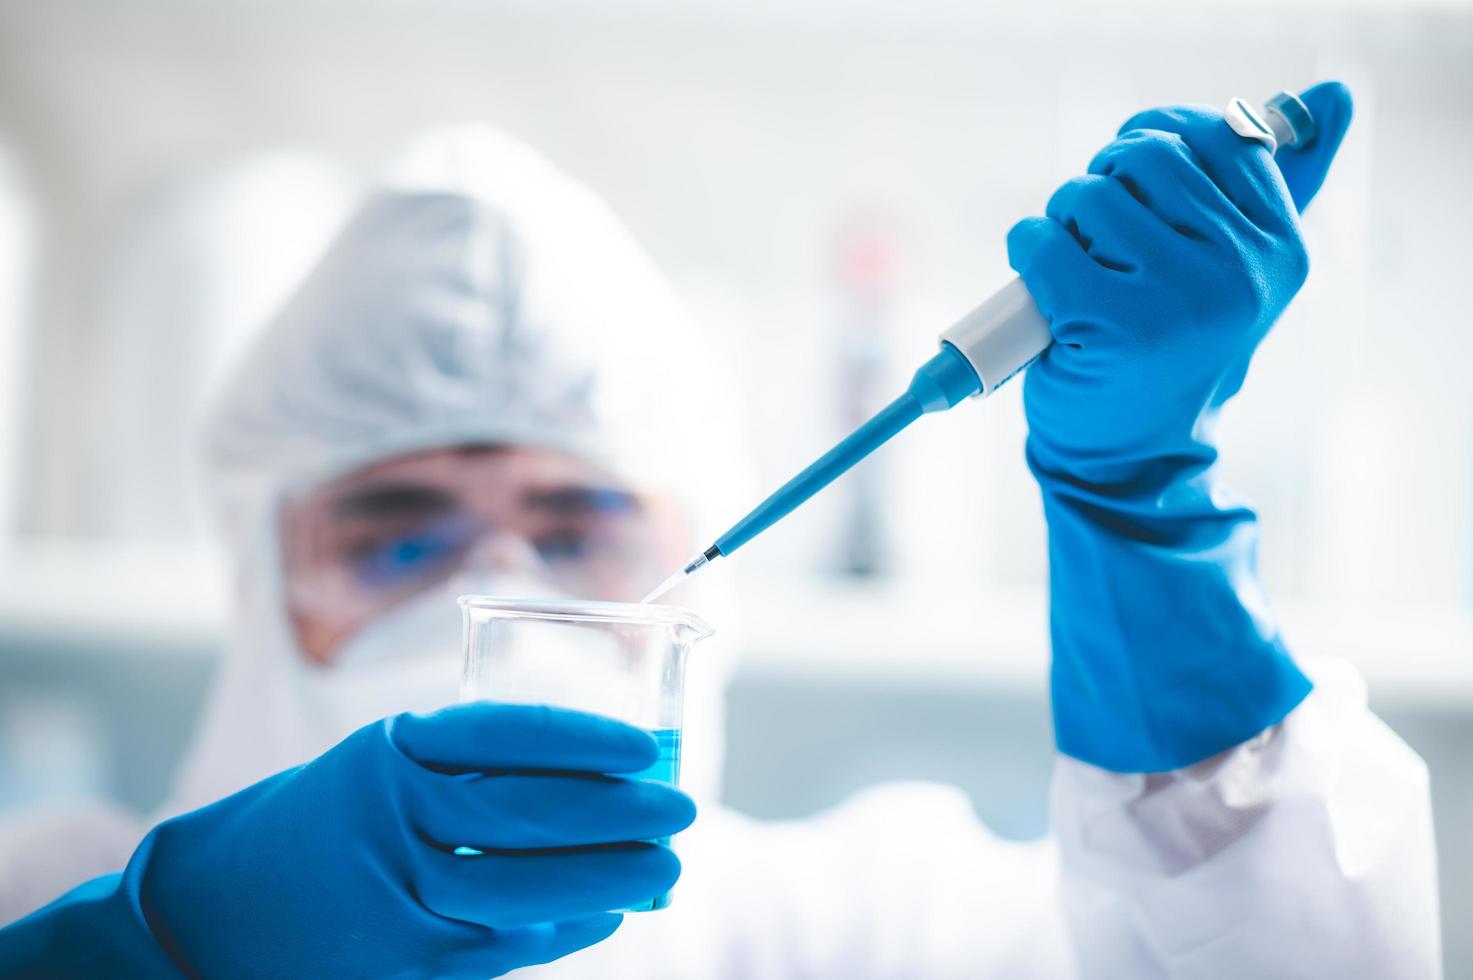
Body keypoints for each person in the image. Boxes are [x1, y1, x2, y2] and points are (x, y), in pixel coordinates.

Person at [0, 81, 1442, 978]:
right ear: (261, 574)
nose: (495, 586)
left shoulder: (862, 930)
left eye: (577, 530)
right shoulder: (42, 892)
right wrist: (167, 950)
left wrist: (1139, 516)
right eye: (396, 539)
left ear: (702, 573)